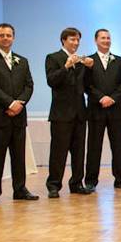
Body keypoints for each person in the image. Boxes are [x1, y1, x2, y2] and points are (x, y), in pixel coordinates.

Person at [0, 23, 37, 205]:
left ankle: (20, 189)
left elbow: (29, 85)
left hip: (19, 116)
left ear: (13, 37)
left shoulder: (22, 60)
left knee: (19, 156)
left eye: (9, 35)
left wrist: (20, 103)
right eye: (2, 35)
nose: (5, 38)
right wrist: (10, 103)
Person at [45, 27, 93, 198]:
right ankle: (54, 185)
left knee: (79, 152)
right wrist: (66, 66)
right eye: (72, 39)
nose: (76, 43)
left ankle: (77, 183)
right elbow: (52, 80)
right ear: (64, 40)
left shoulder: (81, 60)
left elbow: (86, 85)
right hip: (61, 114)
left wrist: (89, 67)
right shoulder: (53, 58)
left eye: (78, 40)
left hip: (80, 113)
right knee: (58, 151)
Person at [85, 28, 121, 190]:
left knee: (117, 146)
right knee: (93, 146)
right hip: (96, 109)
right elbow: (86, 85)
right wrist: (101, 97)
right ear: (96, 40)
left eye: (108, 38)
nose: (106, 40)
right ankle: (90, 181)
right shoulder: (88, 61)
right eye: (103, 38)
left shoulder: (120, 61)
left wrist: (112, 98)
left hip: (116, 109)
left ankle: (119, 178)